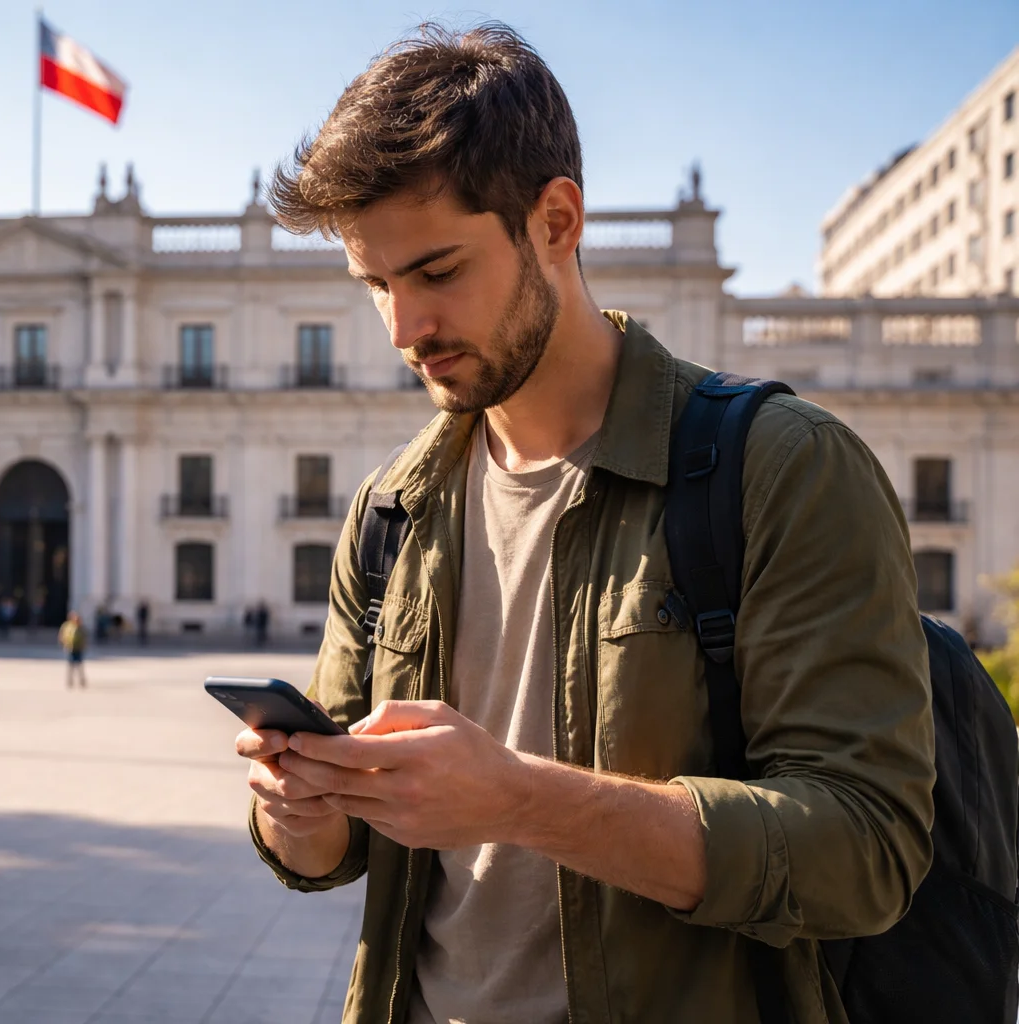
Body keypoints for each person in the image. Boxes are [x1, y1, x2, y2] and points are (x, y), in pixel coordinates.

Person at [236, 24, 934, 1024]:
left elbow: (869, 849)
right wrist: (297, 810)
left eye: (437, 272)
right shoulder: (395, 507)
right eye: (377, 286)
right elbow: (338, 846)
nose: (403, 329)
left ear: (555, 221)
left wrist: (519, 798)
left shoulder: (777, 469)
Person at [58, 611, 87, 689]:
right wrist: (64, 644)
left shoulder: (81, 628)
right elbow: (62, 635)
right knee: (71, 665)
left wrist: (83, 646)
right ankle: (70, 680)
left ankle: (82, 681)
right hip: (70, 648)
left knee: (79, 665)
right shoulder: (67, 626)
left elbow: (84, 638)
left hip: (78, 648)